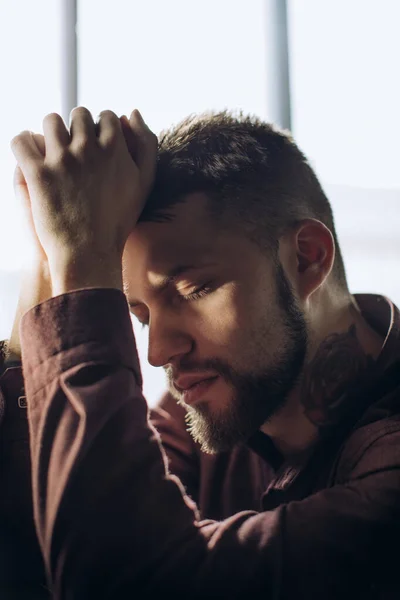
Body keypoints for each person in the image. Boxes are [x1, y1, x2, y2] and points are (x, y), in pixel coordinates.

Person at [6, 107, 400, 598]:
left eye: (193, 290)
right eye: (141, 314)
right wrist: (53, 260)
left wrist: (84, 268)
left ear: (306, 258)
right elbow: (42, 530)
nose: (158, 351)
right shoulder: (207, 407)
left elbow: (123, 581)